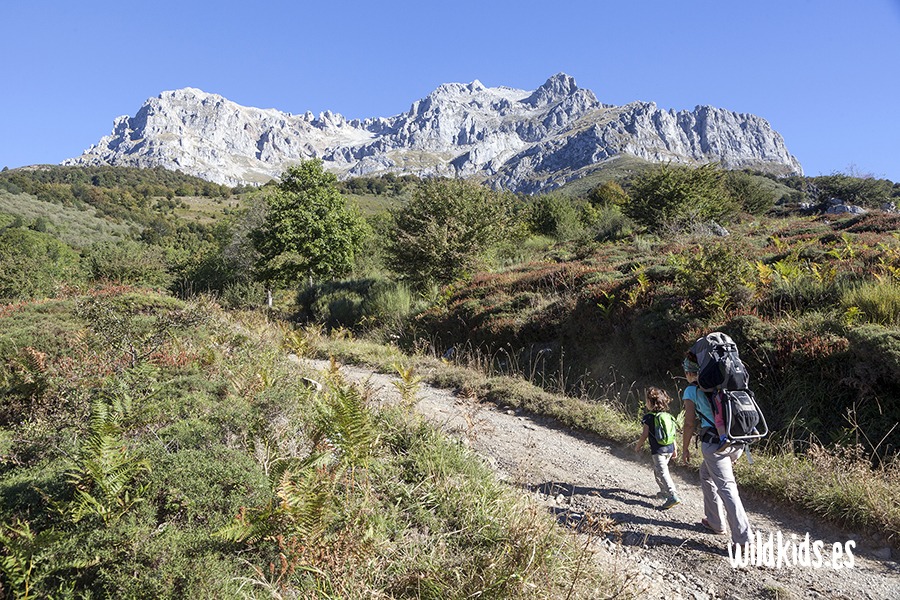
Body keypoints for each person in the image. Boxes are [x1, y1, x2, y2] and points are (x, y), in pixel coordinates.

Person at [680, 353, 752, 544]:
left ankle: (743, 538)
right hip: (736, 441)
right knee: (706, 473)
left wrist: (685, 448)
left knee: (727, 488)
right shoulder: (721, 385)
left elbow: (689, 424)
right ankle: (715, 521)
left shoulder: (691, 391)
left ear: (689, 373)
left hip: (715, 444)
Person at [634, 387, 681, 510]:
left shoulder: (648, 417)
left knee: (662, 472)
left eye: (647, 401)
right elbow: (673, 435)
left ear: (650, 402)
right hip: (669, 449)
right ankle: (664, 492)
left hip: (658, 451)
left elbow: (644, 435)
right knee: (658, 470)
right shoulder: (668, 416)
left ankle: (672, 495)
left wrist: (638, 446)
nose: (646, 403)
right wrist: (675, 449)